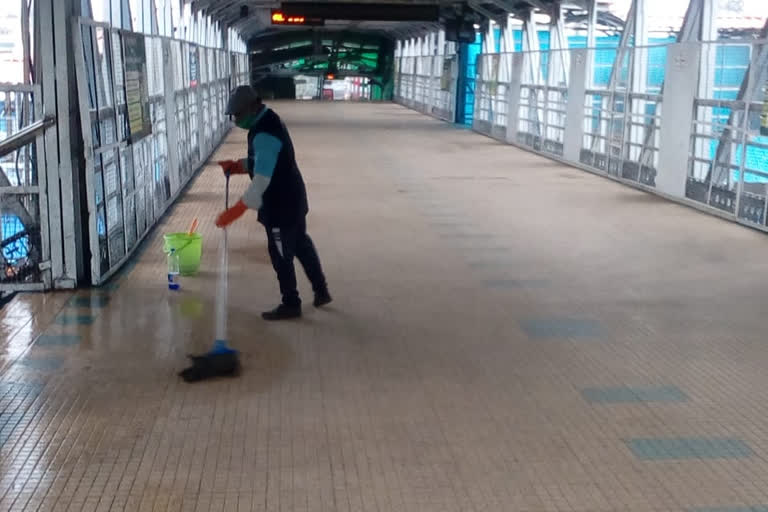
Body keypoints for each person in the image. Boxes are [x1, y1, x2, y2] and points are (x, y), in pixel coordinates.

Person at [215, 85, 331, 320]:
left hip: (281, 205)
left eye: (237, 114)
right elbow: (265, 159)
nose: (236, 120)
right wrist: (239, 165)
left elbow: (260, 182)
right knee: (301, 244)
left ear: (251, 106)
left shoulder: (264, 132)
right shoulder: (267, 120)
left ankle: (291, 303)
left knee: (281, 255)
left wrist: (235, 212)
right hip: (294, 197)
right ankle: (321, 290)